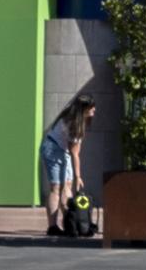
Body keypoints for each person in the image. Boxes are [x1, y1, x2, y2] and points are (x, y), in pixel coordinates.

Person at [42, 93, 97, 236]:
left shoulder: (75, 118)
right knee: (56, 187)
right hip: (52, 149)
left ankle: (71, 221)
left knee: (66, 185)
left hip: (62, 150)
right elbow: (75, 154)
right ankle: (52, 227)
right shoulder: (74, 124)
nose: (94, 110)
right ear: (83, 109)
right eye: (92, 108)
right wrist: (78, 176)